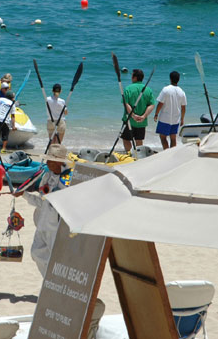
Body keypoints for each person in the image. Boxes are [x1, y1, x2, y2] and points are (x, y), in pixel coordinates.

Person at [16, 143, 105, 339]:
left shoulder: (69, 179)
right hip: (43, 223)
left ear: (59, 162)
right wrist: (24, 195)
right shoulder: (47, 175)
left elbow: (68, 203)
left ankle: (54, 289)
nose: (47, 163)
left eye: (51, 160)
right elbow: (43, 200)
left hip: (58, 228)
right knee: (36, 253)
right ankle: (51, 285)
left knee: (55, 261)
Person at [121, 69, 155, 151]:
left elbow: (126, 104)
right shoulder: (148, 89)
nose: (131, 77)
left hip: (129, 120)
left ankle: (129, 154)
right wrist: (144, 116)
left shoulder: (128, 88)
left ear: (135, 77)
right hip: (142, 121)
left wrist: (132, 116)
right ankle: (138, 155)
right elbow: (152, 105)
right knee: (139, 140)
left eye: (132, 76)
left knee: (126, 139)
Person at [153, 71, 186, 150]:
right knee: (173, 138)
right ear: (178, 80)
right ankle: (171, 154)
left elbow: (160, 104)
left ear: (170, 79)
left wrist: (156, 114)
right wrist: (182, 118)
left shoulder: (166, 89)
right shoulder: (182, 92)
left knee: (163, 137)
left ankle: (166, 153)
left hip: (165, 118)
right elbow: (183, 107)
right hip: (175, 119)